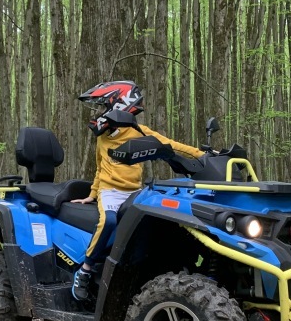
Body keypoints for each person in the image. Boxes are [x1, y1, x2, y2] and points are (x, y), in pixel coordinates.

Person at [70, 81, 205, 300]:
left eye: (104, 107)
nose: (100, 113)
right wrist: (93, 194)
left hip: (134, 191)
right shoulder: (102, 138)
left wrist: (202, 155)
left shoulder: (139, 132)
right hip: (110, 191)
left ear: (119, 105)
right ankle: (85, 270)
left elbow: (171, 145)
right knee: (109, 222)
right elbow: (99, 167)